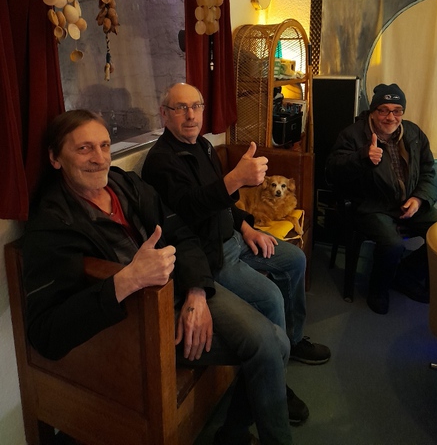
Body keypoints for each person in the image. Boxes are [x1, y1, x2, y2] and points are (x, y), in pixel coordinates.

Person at [22, 109, 297, 445]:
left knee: (276, 342)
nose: (99, 158)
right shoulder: (52, 224)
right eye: (83, 149)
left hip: (184, 286)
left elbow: (180, 230)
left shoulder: (125, 183)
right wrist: (127, 280)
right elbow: (45, 333)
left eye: (104, 146)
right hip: (142, 323)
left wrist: (197, 291)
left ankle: (233, 433)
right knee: (271, 345)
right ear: (55, 158)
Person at [141, 83, 331, 424]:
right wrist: (235, 180)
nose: (190, 115)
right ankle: (275, 380)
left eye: (196, 106)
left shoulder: (203, 146)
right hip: (211, 255)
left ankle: (293, 341)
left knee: (294, 260)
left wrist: (247, 227)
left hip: (233, 237)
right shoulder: (160, 162)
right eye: (180, 108)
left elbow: (224, 205)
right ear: (164, 114)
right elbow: (189, 209)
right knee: (270, 296)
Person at [326, 83, 437, 315]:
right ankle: (378, 289)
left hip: (410, 203)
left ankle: (404, 274)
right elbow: (332, 172)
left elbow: (428, 171)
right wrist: (361, 157)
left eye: (397, 110)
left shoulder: (414, 133)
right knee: (392, 244)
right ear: (373, 112)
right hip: (372, 206)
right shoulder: (352, 135)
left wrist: (419, 199)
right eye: (384, 110)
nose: (391, 117)